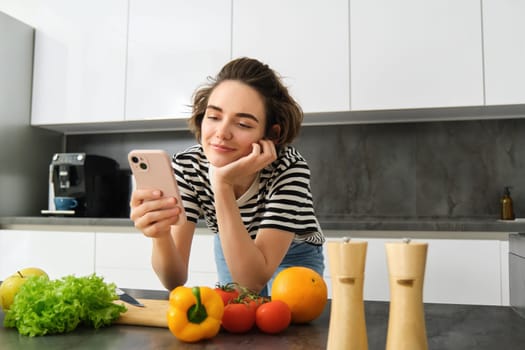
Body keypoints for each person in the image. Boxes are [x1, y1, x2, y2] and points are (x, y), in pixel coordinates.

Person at [130, 57, 325, 296]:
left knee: (288, 323)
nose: (221, 133)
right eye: (213, 117)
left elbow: (251, 281)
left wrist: (222, 183)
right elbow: (174, 280)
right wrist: (160, 237)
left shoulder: (289, 168)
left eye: (242, 124)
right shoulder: (188, 166)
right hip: (229, 244)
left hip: (294, 250)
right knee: (237, 317)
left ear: (272, 134)